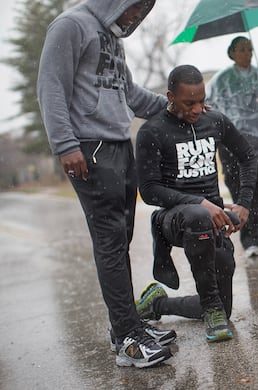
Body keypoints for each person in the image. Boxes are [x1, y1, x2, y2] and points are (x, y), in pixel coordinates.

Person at [37, 0, 175, 368]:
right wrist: (65, 144)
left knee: (121, 240)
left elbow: (129, 95)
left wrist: (172, 106)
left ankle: (127, 326)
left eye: (144, 10)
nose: (137, 16)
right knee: (111, 243)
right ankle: (128, 337)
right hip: (88, 149)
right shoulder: (70, 27)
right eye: (135, 7)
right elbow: (51, 88)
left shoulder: (114, 39)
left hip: (118, 144)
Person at [135, 65, 258, 342]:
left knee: (224, 307)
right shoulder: (152, 132)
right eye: (189, 103)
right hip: (172, 219)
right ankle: (211, 309)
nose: (197, 109)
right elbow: (149, 190)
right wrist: (200, 202)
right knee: (197, 215)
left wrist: (244, 203)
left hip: (212, 219)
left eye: (202, 101)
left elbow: (248, 157)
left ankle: (158, 304)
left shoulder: (213, 121)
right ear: (170, 97)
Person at [206, 36, 258, 258]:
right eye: (242, 49)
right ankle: (250, 241)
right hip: (234, 150)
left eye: (250, 48)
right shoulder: (220, 81)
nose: (247, 53)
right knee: (244, 195)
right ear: (232, 53)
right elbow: (213, 114)